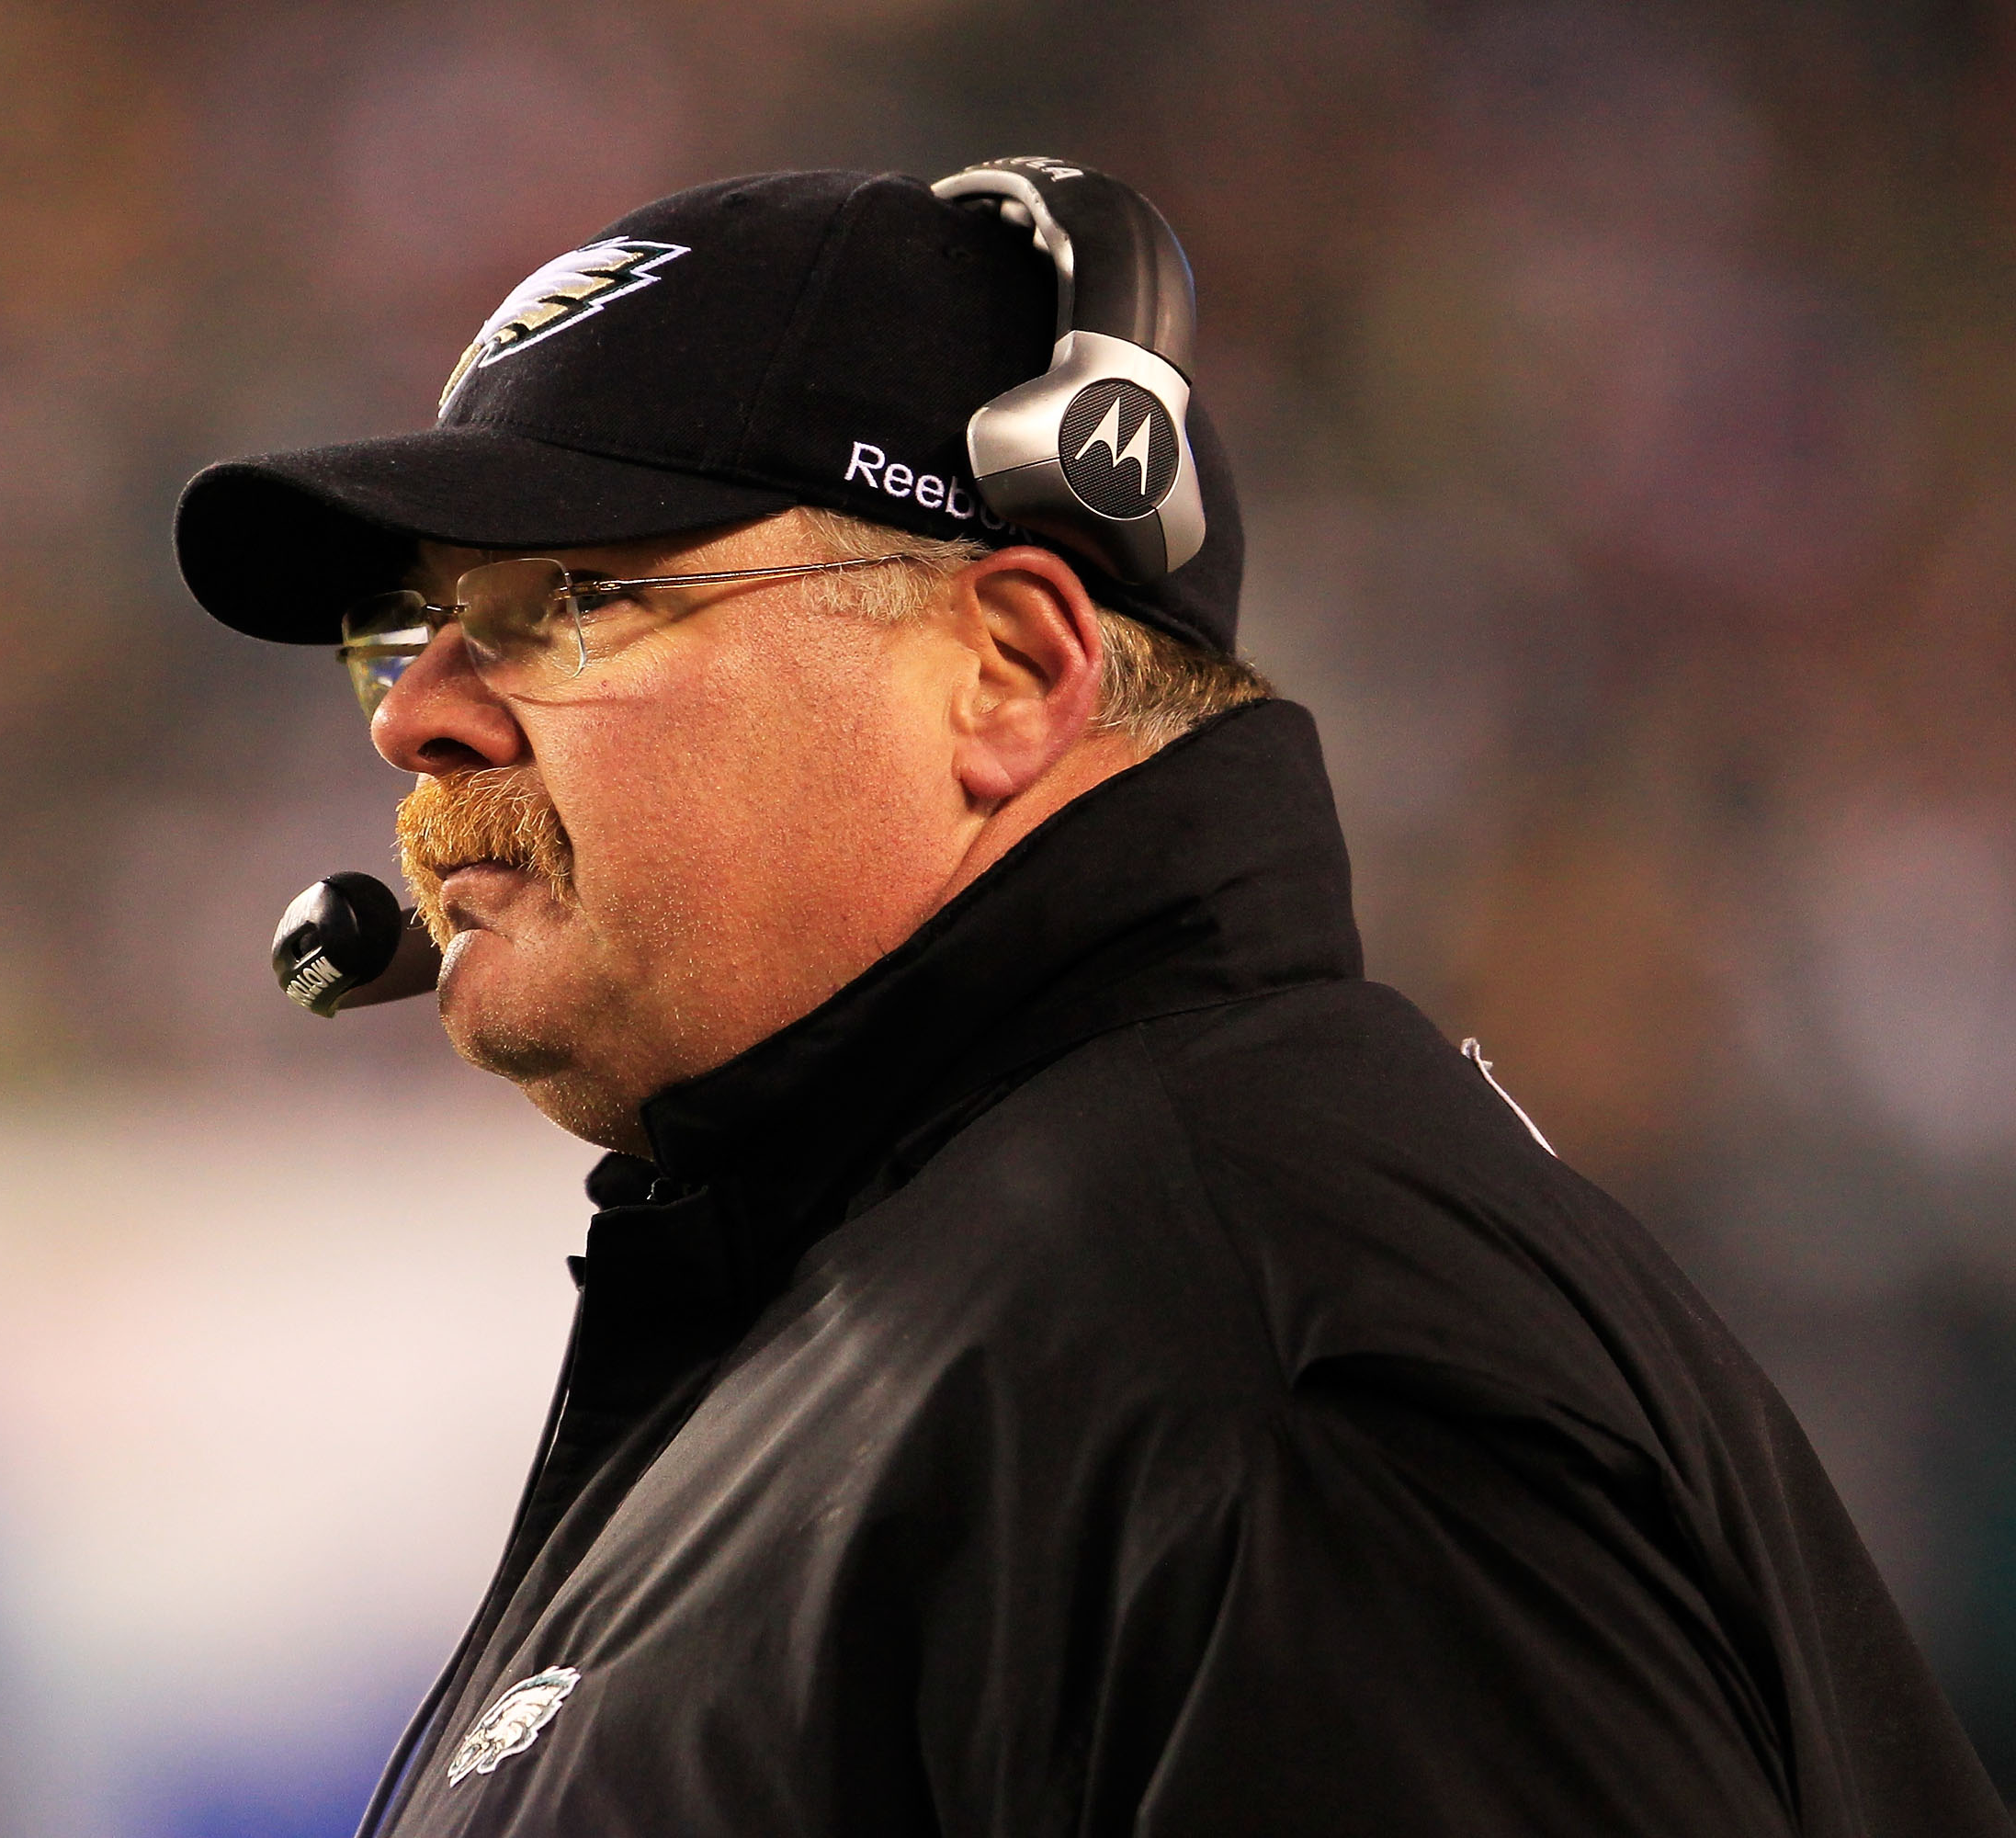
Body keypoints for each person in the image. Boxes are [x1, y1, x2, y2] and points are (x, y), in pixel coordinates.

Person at [173, 165, 2009, 1837]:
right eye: (412, 636)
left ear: (1012, 669)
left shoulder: (1250, 1370)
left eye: (569, 603)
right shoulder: (948, 1310)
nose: (419, 718)